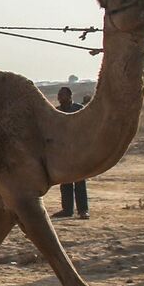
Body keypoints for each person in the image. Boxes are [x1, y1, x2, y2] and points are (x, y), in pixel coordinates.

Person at [51, 87, 89, 219]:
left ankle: (83, 210)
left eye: (62, 95)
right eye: (59, 95)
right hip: (63, 151)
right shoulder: (57, 111)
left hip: (78, 150)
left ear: (70, 95)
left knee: (79, 181)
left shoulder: (79, 109)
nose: (60, 98)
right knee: (65, 181)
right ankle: (67, 209)